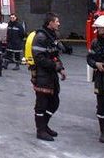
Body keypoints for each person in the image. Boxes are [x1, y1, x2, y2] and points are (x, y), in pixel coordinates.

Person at [30, 12, 66, 141]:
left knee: (54, 102)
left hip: (51, 76)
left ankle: (44, 126)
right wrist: (55, 66)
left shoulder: (52, 36)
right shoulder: (40, 36)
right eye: (56, 21)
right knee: (41, 104)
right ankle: (40, 131)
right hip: (41, 76)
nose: (58, 23)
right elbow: (39, 58)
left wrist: (60, 68)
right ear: (50, 23)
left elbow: (54, 55)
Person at [86, 15, 104, 143]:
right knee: (101, 107)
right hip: (100, 78)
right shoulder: (95, 43)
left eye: (99, 28)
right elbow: (89, 58)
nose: (97, 31)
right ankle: (103, 132)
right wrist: (96, 64)